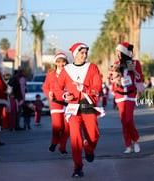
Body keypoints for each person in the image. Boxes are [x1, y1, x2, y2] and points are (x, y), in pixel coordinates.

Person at [55, 43, 102, 178]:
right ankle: (78, 167)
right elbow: (58, 88)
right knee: (75, 139)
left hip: (89, 106)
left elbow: (98, 88)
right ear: (75, 54)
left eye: (86, 53)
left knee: (93, 136)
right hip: (73, 109)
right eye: (82, 53)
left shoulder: (92, 68)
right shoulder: (67, 70)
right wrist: (64, 95)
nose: (84, 55)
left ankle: (88, 147)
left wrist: (84, 88)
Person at [109, 42, 143, 154]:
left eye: (119, 51)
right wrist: (115, 78)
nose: (117, 53)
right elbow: (111, 79)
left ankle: (136, 141)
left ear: (124, 52)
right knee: (124, 122)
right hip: (119, 94)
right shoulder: (115, 64)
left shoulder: (135, 63)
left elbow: (139, 77)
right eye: (117, 52)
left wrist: (134, 70)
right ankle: (128, 145)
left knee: (129, 120)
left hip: (130, 94)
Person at [42, 53, 70, 155]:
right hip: (55, 103)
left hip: (68, 104)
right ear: (55, 63)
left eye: (63, 62)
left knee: (67, 128)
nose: (61, 64)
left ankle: (62, 147)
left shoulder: (70, 73)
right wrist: (49, 93)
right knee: (57, 127)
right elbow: (45, 87)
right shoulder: (50, 74)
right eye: (59, 62)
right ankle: (54, 142)